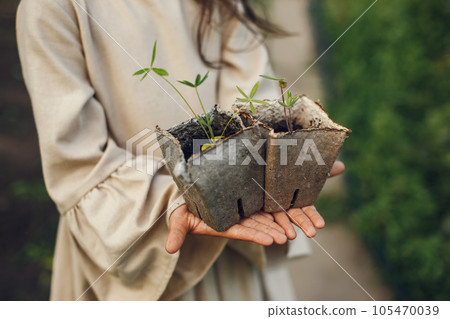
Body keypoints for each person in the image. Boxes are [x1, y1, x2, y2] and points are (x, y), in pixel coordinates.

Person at [17, 0, 344, 301]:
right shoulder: (53, 7)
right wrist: (177, 201)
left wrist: (274, 159)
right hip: (141, 242)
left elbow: (251, 96)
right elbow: (80, 166)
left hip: (235, 234)